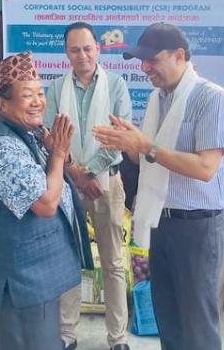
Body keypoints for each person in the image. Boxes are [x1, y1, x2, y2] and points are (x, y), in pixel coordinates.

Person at [93, 23, 224, 350]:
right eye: (141, 61)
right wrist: (127, 144)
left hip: (197, 226)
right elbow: (150, 159)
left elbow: (205, 168)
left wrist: (145, 146)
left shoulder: (211, 98)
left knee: (197, 322)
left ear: (179, 55)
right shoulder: (159, 99)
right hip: (161, 220)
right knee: (168, 316)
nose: (144, 68)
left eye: (152, 60)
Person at [0, 51, 94, 350]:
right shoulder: (2, 147)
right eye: (27, 95)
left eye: (40, 94)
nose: (37, 102)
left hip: (40, 274)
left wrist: (58, 154)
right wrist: (57, 154)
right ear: (4, 104)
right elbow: (45, 204)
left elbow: (56, 177)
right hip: (22, 279)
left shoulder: (32, 135)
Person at [45, 22, 133, 350]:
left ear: (98, 49)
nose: (81, 55)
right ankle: (67, 334)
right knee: (68, 259)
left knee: (113, 262)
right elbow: (49, 136)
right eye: (74, 49)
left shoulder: (116, 85)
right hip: (66, 184)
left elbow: (120, 137)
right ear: (66, 53)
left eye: (87, 48)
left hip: (107, 183)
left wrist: (91, 172)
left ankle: (118, 338)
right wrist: (75, 173)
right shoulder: (56, 88)